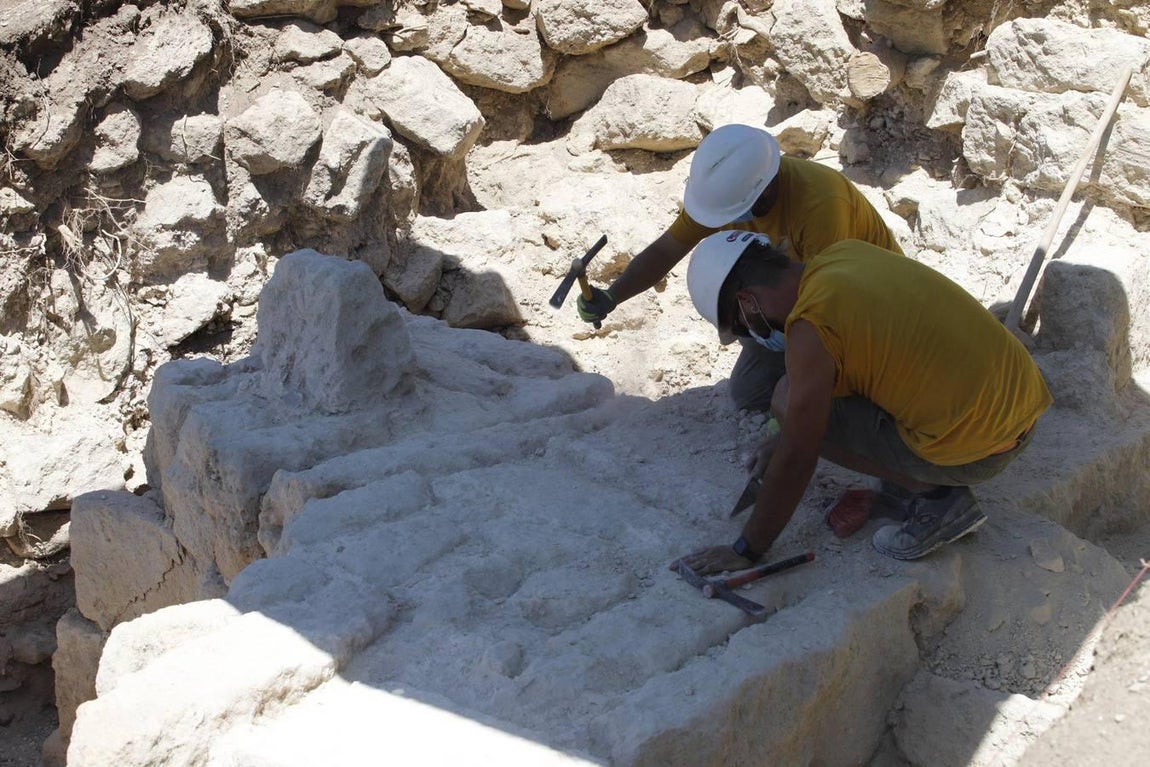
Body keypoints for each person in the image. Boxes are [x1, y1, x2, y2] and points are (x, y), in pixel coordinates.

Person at [676, 231, 1052, 570]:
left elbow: (799, 457)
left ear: (748, 301)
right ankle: (921, 467)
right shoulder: (841, 255)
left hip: (982, 450)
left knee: (787, 399)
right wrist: (785, 437)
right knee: (799, 399)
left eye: (742, 325)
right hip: (1022, 406)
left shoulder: (812, 326)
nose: (753, 335)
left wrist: (746, 549)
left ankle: (938, 497)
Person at [577, 123, 903, 411]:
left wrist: (793, 413)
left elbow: (830, 306)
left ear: (770, 183)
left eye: (747, 209)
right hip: (789, 302)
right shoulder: (726, 195)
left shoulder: (820, 203)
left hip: (865, 305)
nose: (736, 219)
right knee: (751, 394)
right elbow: (666, 250)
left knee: (829, 402)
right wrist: (613, 295)